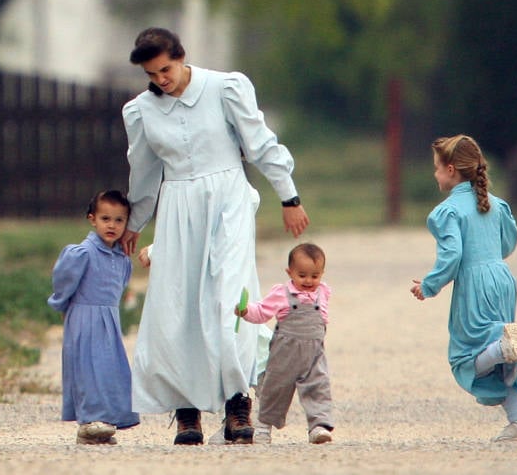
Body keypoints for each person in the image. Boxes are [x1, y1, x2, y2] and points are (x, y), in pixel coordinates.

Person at [120, 26, 309, 446]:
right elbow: (146, 173)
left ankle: (236, 403)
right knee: (177, 301)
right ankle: (186, 413)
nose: (160, 80)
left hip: (228, 199)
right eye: (151, 74)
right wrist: (134, 222)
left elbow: (259, 143)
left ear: (180, 57)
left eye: (165, 69)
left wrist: (288, 196)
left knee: (231, 297)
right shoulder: (142, 111)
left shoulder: (224, 88)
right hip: (178, 205)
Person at [410, 135, 517, 442]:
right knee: (495, 352)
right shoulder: (496, 204)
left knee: (466, 355)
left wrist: (430, 285)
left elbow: (452, 255)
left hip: (474, 284)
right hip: (502, 279)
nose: (434, 174)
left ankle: (502, 349)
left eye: (437, 167)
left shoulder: (445, 212)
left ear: (451, 169)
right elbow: (508, 243)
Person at [48, 190, 140, 445]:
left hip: (108, 320)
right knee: (88, 367)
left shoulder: (121, 259)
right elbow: (63, 281)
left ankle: (106, 419)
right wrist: (63, 306)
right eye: (105, 218)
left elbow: (119, 287)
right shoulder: (82, 253)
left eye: (119, 220)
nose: (112, 225)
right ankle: (89, 420)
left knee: (109, 368)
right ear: (92, 219)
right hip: (84, 317)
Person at [235, 242, 334, 445]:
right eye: (302, 275)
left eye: (315, 276)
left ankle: (318, 426)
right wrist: (246, 312)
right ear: (290, 272)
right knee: (275, 388)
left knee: (318, 386)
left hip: (314, 353)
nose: (308, 280)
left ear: (322, 274)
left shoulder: (322, 292)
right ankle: (263, 427)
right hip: (285, 351)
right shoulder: (282, 293)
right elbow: (262, 312)